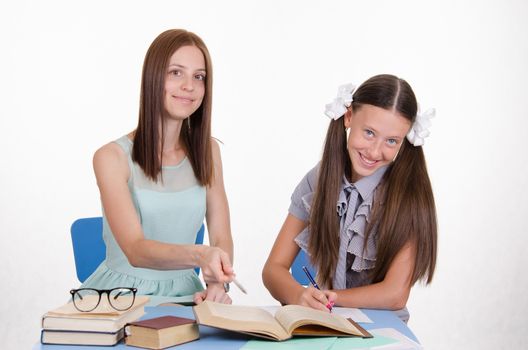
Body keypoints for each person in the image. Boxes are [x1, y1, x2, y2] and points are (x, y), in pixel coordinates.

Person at [262, 74, 437, 322]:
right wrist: (300, 296)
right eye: (368, 132)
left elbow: (395, 294)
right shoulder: (318, 179)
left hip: (381, 328)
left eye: (391, 141)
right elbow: (273, 269)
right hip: (325, 322)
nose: (375, 151)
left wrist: (333, 298)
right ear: (349, 117)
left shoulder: (408, 195)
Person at [82, 29, 235, 306]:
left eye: (199, 77)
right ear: (153, 78)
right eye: (176, 72)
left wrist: (215, 283)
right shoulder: (110, 157)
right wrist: (202, 256)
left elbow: (221, 233)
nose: (189, 85)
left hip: (188, 294)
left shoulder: (209, 151)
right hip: (121, 299)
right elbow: (136, 250)